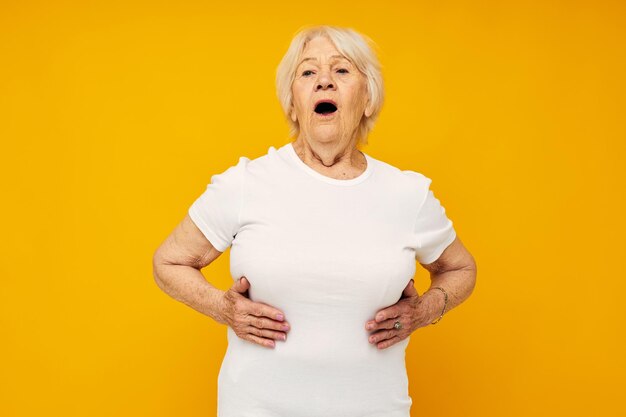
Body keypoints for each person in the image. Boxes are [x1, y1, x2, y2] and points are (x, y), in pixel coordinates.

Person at [153, 24, 477, 417]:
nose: (324, 80)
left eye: (342, 71)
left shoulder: (407, 194)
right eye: (308, 73)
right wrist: (224, 309)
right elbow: (168, 262)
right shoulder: (246, 183)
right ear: (293, 102)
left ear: (368, 98)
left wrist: (425, 310)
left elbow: (460, 269)